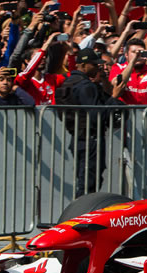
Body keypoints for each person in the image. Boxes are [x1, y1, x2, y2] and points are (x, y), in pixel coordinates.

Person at [55, 48, 126, 198]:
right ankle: (81, 216)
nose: (98, 68)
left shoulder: (70, 82)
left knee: (87, 180)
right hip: (90, 139)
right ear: (84, 65)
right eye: (95, 64)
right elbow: (98, 115)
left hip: (79, 137)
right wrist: (114, 97)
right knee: (88, 183)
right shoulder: (86, 86)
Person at [109, 38, 147, 105]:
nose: (138, 55)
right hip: (125, 113)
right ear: (126, 55)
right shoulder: (118, 67)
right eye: (134, 52)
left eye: (141, 52)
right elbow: (118, 83)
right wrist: (133, 61)